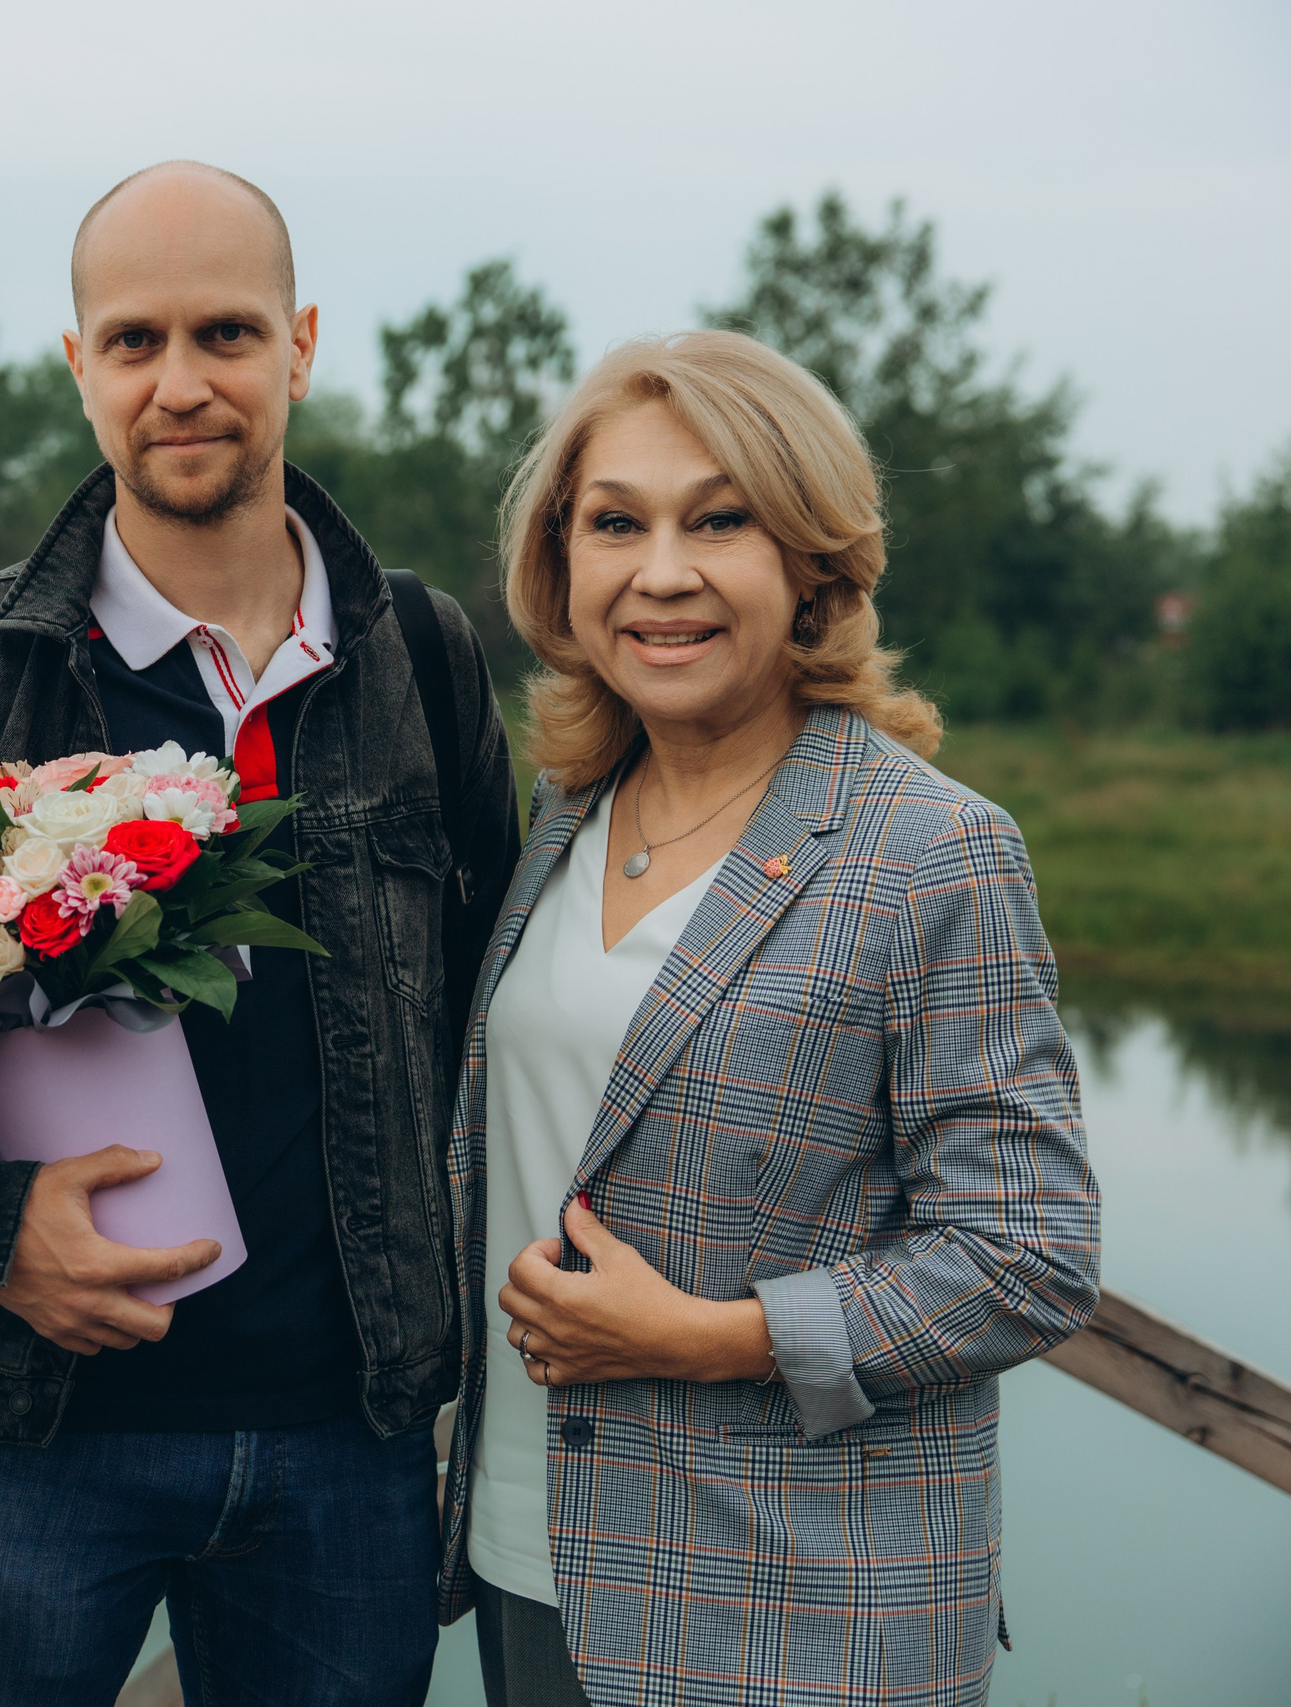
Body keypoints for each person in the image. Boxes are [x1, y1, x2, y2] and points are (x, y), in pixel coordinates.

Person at [0, 161, 523, 1707]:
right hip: (28, 1434)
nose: (182, 382)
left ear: (301, 345)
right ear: (80, 366)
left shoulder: (423, 658)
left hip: (351, 1438)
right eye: (136, 341)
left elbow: (494, 1005)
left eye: (227, 333)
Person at [439, 330, 1102, 1706]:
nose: (662, 571)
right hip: (531, 1555)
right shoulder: (562, 813)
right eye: (616, 523)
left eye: (719, 520)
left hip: (797, 1611)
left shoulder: (934, 852)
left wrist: (705, 1336)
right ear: (561, 562)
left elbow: (1028, 1253)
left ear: (811, 562)